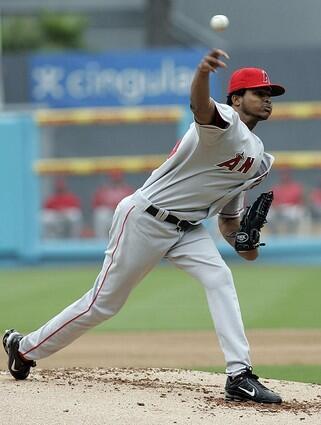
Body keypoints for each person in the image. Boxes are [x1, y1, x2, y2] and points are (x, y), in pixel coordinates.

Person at [3, 49, 285, 404]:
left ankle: (239, 374)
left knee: (220, 277)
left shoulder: (259, 160)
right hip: (145, 218)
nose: (267, 100)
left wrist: (246, 239)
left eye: (269, 95)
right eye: (260, 92)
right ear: (236, 97)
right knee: (102, 305)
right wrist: (201, 73)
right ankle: (24, 347)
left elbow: (231, 225)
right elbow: (201, 107)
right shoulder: (224, 122)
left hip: (187, 229)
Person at [92, 170, 134, 238]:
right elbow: (96, 204)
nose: (116, 182)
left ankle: (126, 241)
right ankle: (100, 242)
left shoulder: (127, 190)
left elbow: (133, 205)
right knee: (101, 214)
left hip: (121, 214)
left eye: (117, 180)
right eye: (114, 180)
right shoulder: (104, 190)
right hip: (108, 215)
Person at [268, 169, 306, 234]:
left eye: (286, 175)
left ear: (289, 177)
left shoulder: (295, 187)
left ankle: (292, 234)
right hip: (279, 208)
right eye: (283, 175)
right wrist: (276, 207)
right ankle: (275, 234)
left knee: (297, 213)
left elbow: (301, 200)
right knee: (268, 215)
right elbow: (271, 201)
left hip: (292, 208)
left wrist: (297, 206)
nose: (284, 177)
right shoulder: (276, 187)